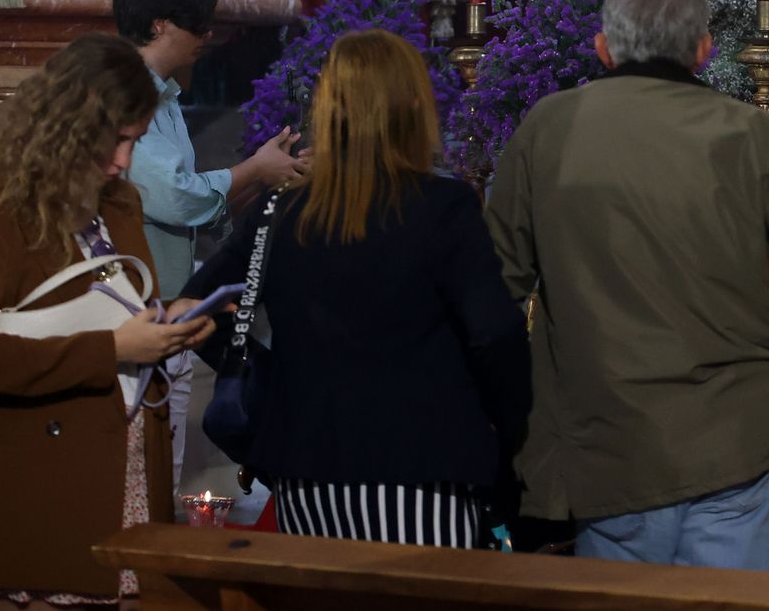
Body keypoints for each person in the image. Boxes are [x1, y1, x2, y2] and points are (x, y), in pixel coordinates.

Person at [485, 0, 769, 570]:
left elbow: (494, 288)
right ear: (704, 49)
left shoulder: (549, 129)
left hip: (605, 438)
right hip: (736, 437)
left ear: (603, 47)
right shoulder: (749, 133)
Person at [182, 29, 530, 547]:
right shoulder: (443, 207)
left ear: (328, 110)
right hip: (422, 465)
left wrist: (268, 379)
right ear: (413, 106)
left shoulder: (281, 210)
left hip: (306, 467)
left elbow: (193, 308)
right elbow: (496, 335)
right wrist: (510, 434)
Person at [0, 33, 217, 609]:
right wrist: (113, 349)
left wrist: (168, 321)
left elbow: (119, 309)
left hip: (128, 472)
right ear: (66, 127)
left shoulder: (119, 201)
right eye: (114, 141)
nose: (123, 162)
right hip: (44, 483)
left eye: (135, 142)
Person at [111, 0, 308, 489]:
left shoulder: (166, 96)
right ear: (160, 24)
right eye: (197, 23)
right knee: (141, 477)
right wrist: (254, 170)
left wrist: (269, 175)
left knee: (163, 471)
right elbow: (175, 198)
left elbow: (195, 210)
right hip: (134, 313)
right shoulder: (127, 91)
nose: (207, 35)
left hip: (167, 306)